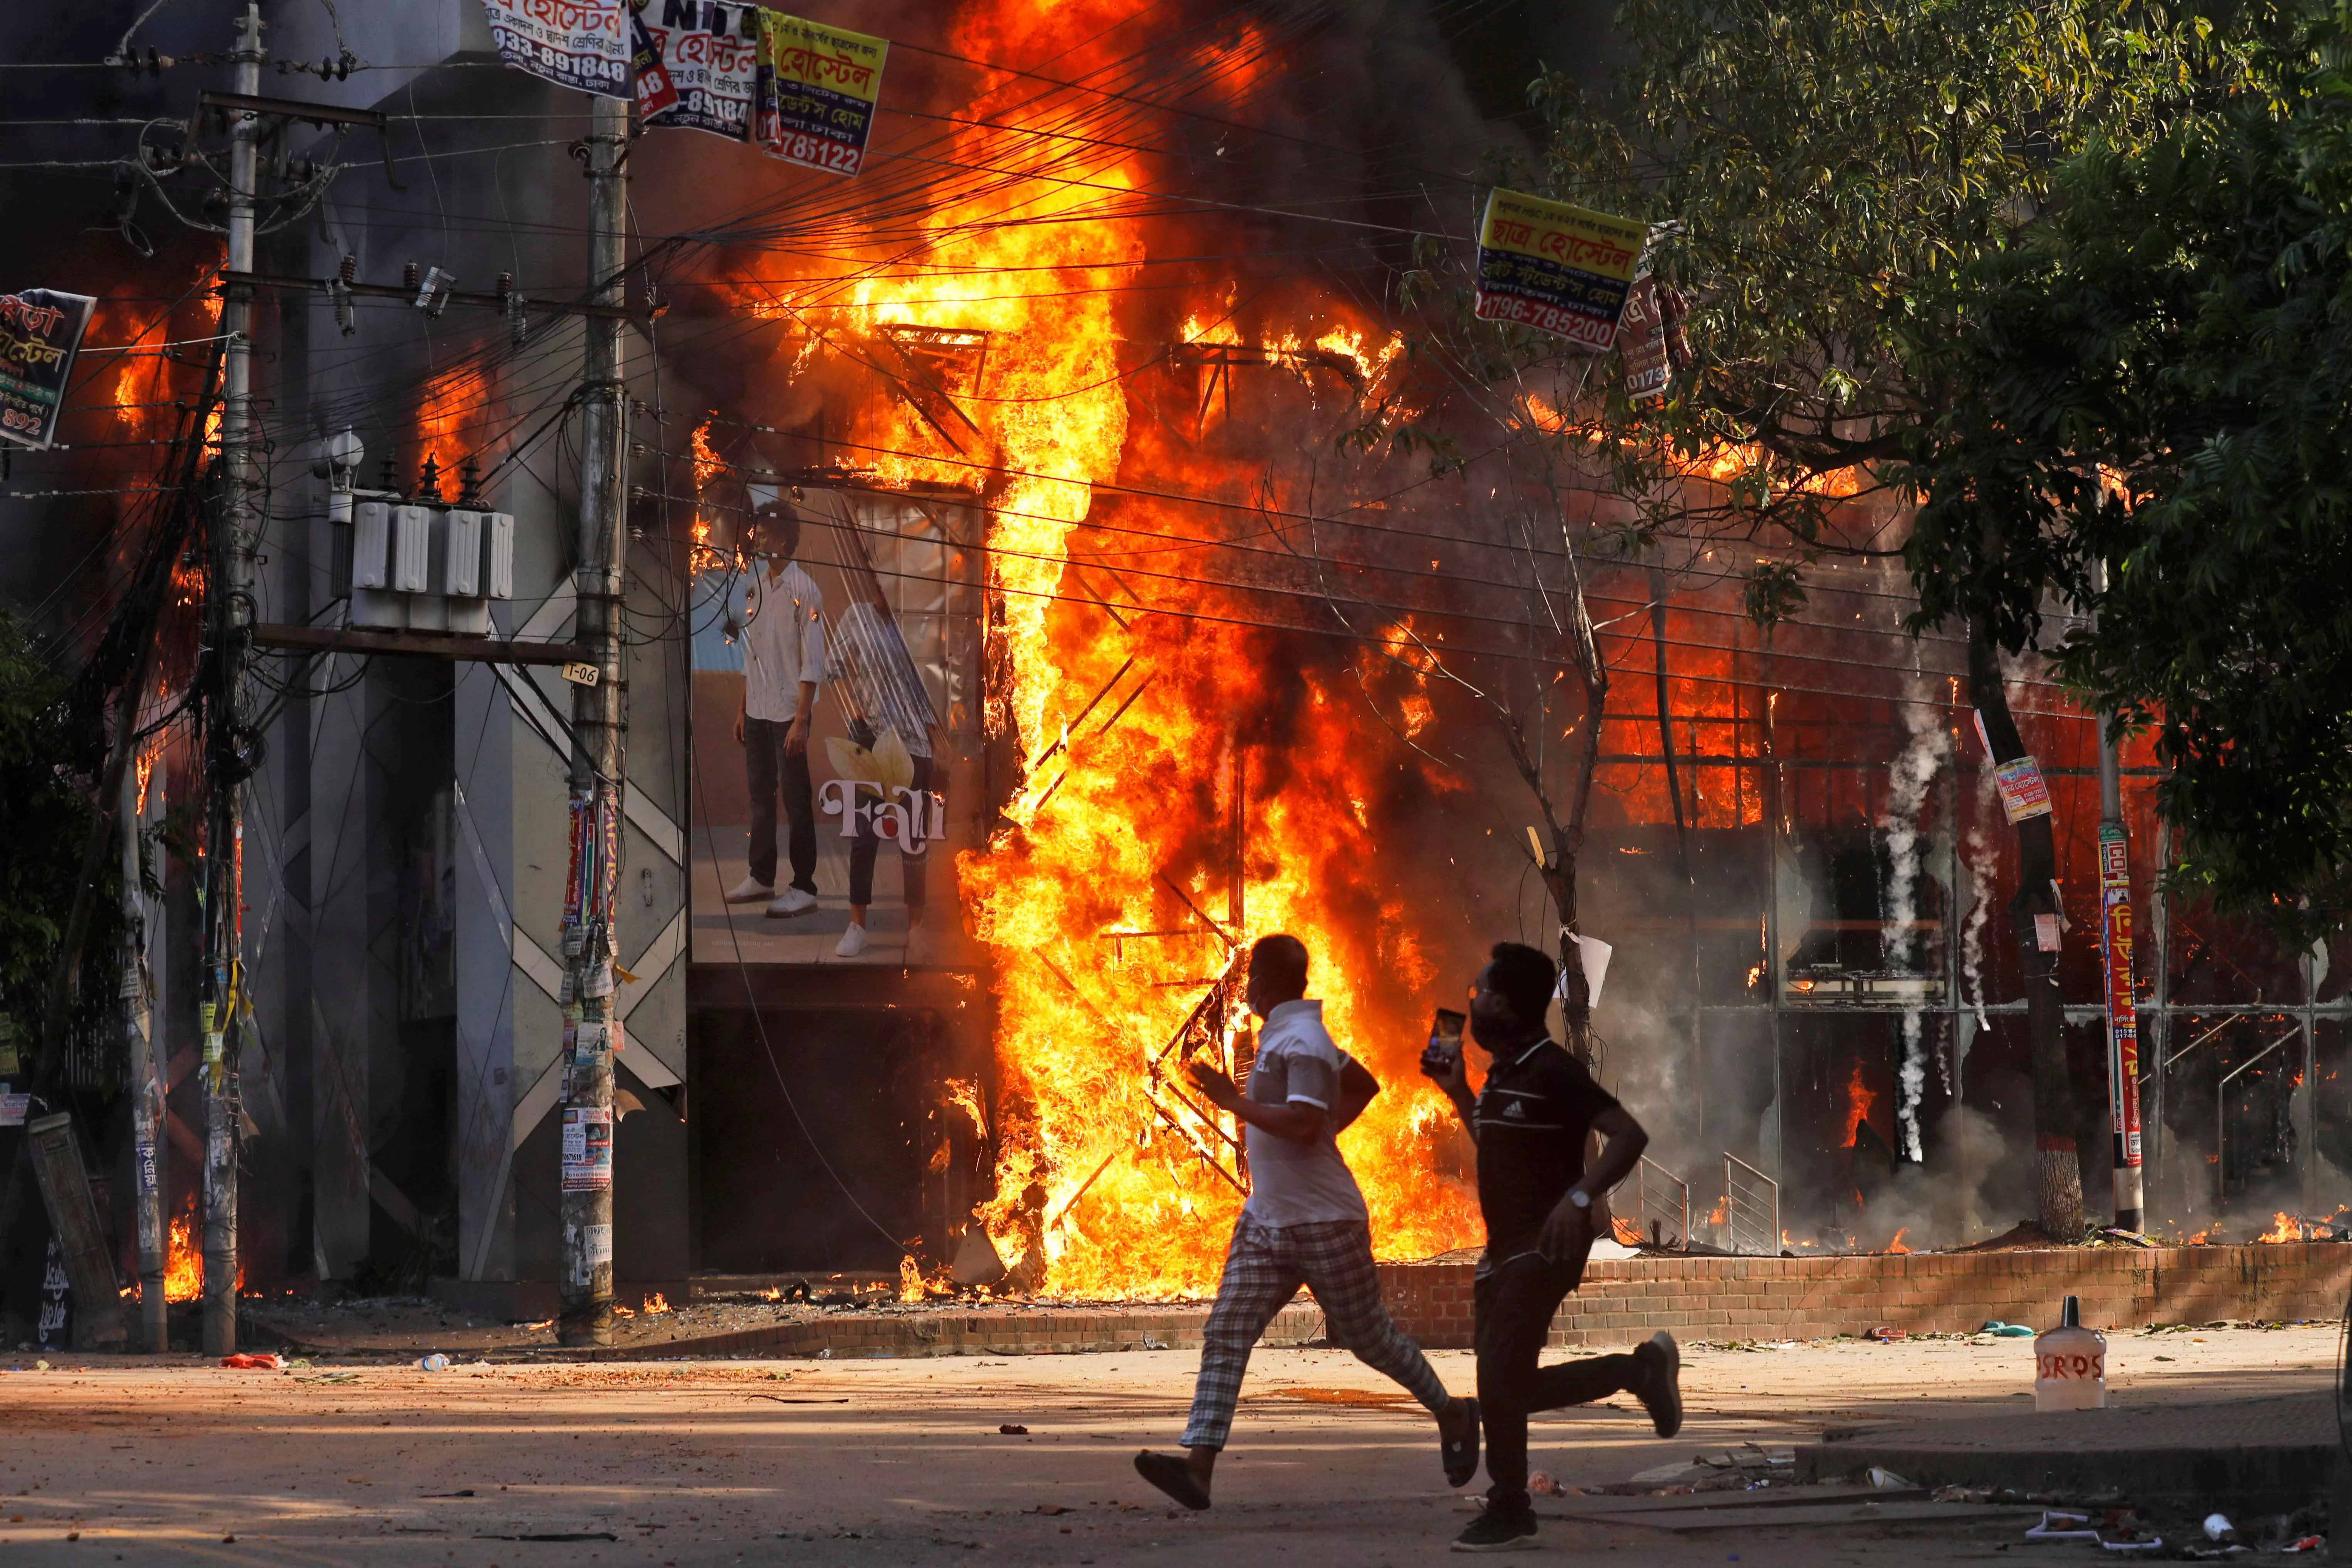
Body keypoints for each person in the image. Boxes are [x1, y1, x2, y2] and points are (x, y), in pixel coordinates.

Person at [1134, 934, 1481, 1511]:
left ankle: (1453, 1411)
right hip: (1268, 1218)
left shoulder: (1303, 1041)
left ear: (1266, 985)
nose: (1244, 990)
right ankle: (1198, 1467)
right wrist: (1325, 1132)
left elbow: (1298, 1124)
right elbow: (1363, 1085)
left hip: (1325, 1220)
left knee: (1372, 1340)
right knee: (1227, 1330)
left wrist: (1231, 1100)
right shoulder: (1288, 1035)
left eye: (1249, 980)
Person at [1423, 941, 1683, 1552]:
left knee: (1499, 1376)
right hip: (1502, 1249)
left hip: (1548, 1244)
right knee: (1504, 1389)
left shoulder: (1554, 1070)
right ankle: (1639, 1370)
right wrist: (1460, 1092)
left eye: (1482, 993)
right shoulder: (1505, 1074)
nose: (1472, 1002)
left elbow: (1628, 1133)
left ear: (1509, 1005)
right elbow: (1498, 1145)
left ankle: (1510, 1505)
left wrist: (1579, 1197)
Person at [723, 500, 827, 919]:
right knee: (760, 796)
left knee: (796, 800)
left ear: (784, 538)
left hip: (788, 714)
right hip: (758, 710)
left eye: (764, 532)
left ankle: (804, 885)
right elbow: (754, 654)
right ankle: (761, 875)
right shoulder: (755, 586)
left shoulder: (805, 590)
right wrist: (743, 707)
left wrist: (802, 719)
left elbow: (813, 660)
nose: (758, 538)